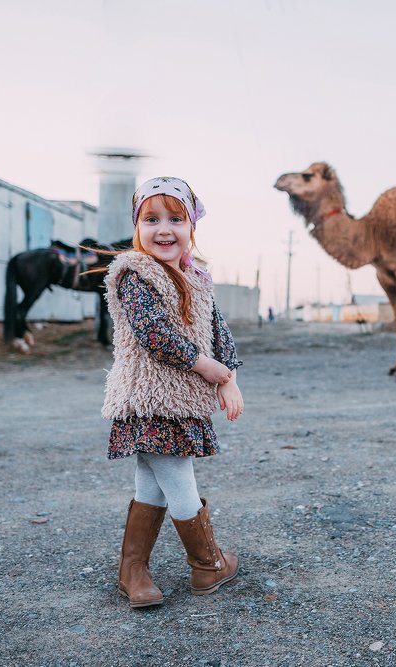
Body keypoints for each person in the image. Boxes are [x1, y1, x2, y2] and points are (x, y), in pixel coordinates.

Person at [100, 176, 244, 608]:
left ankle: (133, 569)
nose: (164, 229)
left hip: (182, 400)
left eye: (175, 219)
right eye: (151, 219)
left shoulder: (197, 278)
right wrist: (210, 369)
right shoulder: (134, 275)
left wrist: (230, 378)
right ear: (137, 227)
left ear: (191, 227)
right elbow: (155, 334)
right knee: (179, 477)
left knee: (153, 481)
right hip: (150, 398)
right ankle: (207, 564)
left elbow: (220, 335)